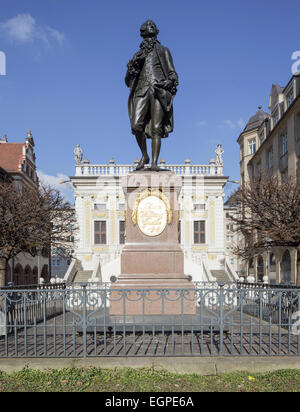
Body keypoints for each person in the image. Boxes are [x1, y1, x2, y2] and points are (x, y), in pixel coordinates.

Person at [125, 20, 179, 171]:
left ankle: (154, 162)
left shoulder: (163, 50)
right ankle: (145, 155)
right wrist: (132, 67)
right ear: (142, 32)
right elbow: (128, 81)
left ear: (156, 32)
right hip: (141, 90)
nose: (150, 26)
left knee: (156, 127)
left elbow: (172, 72)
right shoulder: (137, 55)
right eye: (148, 25)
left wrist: (169, 81)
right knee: (136, 125)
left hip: (157, 90)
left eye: (153, 25)